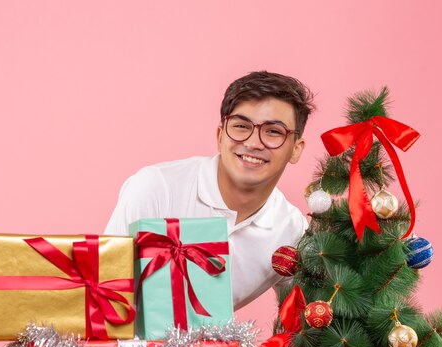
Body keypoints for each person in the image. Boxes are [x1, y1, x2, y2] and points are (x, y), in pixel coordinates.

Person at [105, 70, 315, 310]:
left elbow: (304, 324)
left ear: (296, 150)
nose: (253, 143)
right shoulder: (156, 188)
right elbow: (104, 290)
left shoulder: (292, 230)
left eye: (273, 131)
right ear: (219, 135)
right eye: (240, 126)